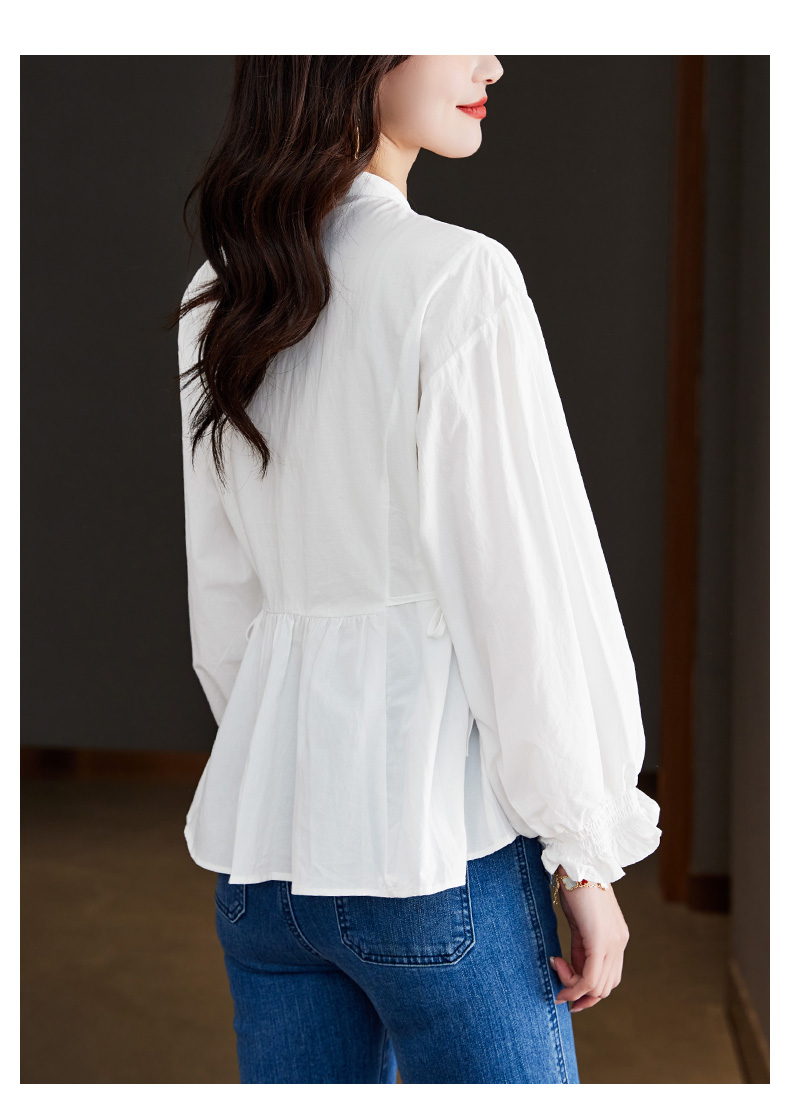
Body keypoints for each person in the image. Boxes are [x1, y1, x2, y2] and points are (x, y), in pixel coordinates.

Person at [173, 55, 662, 1085]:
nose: (492, 61)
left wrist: (288, 764)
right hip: (437, 857)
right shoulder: (458, 277)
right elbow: (522, 591)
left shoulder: (219, 291)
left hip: (265, 865)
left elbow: (225, 606)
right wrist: (582, 851)